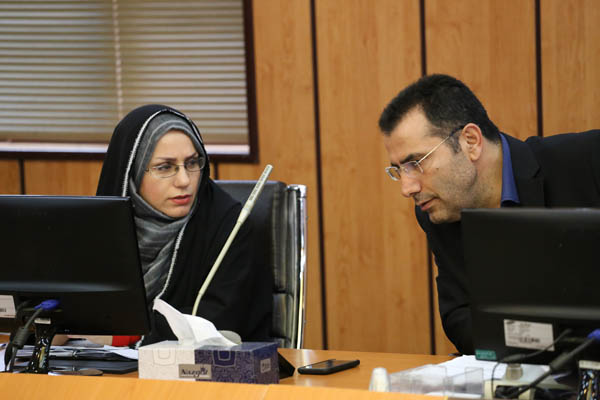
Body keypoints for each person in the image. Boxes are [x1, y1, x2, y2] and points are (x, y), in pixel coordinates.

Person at [378, 74, 600, 354]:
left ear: (471, 141)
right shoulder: (438, 208)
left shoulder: (587, 159)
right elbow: (459, 315)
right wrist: (538, 345)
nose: (407, 188)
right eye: (399, 170)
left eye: (415, 163)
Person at [94, 104, 273, 346]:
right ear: (132, 173)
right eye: (165, 167)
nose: (184, 180)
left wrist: (121, 336)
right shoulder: (103, 227)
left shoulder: (230, 227)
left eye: (192, 163)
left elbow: (216, 324)